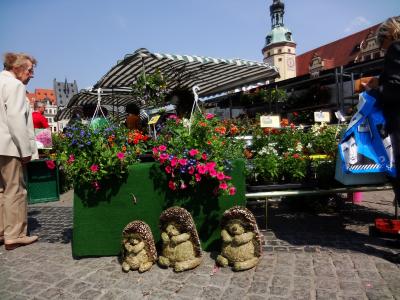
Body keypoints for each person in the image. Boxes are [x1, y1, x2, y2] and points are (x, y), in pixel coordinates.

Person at [0, 52, 39, 250]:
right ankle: (14, 234)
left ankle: (2, 230)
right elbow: (15, 119)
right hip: (8, 146)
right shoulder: (14, 85)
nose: (31, 75)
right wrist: (25, 150)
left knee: (2, 190)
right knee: (15, 190)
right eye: (30, 70)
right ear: (17, 68)